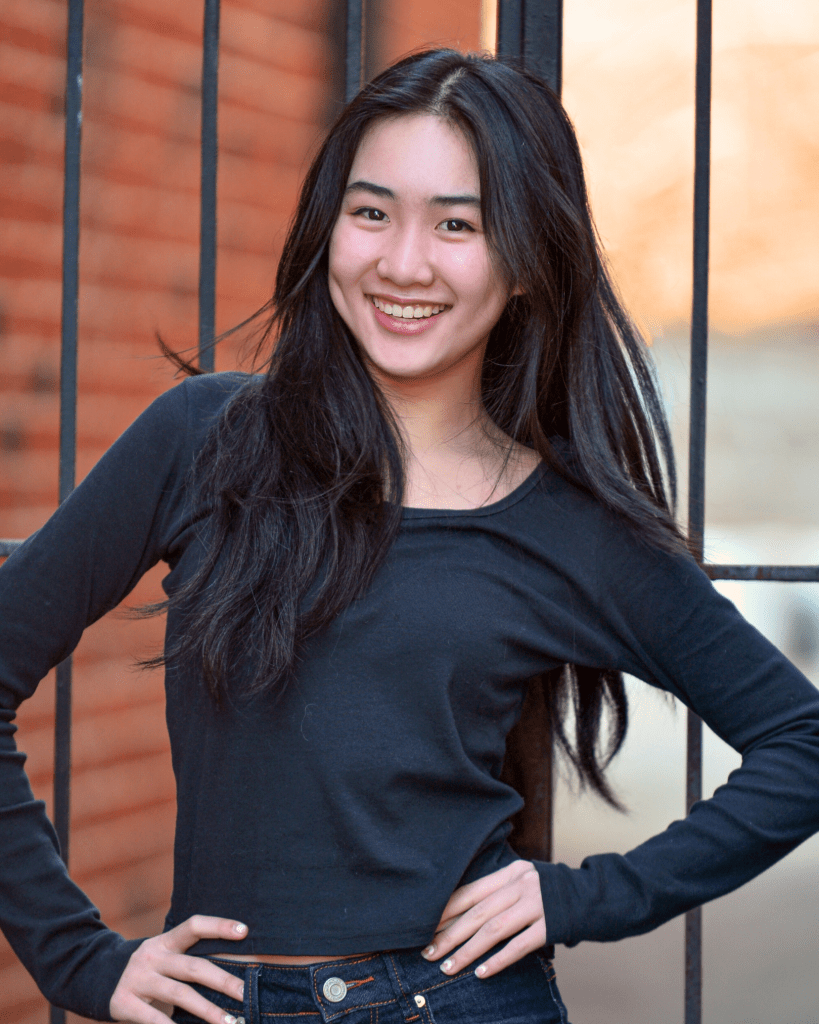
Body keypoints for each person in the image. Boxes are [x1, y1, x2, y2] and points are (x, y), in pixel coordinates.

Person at [1, 48, 818, 1024]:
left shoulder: (568, 526)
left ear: (525, 262)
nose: (402, 262)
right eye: (372, 211)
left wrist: (584, 894)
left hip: (462, 1002)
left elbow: (799, 740)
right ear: (328, 226)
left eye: (458, 224)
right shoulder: (205, 442)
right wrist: (77, 956)